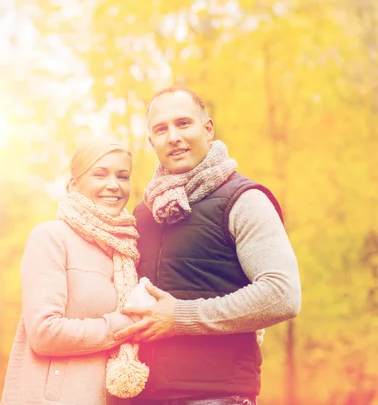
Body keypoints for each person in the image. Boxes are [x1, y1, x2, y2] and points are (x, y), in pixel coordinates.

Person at [114, 87, 302, 405]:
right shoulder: (143, 213)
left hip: (216, 396)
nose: (173, 136)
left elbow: (282, 294)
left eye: (183, 123)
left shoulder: (244, 199)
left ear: (208, 128)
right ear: (151, 142)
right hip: (141, 396)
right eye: (161, 129)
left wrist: (182, 317)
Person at [0, 138, 150, 405]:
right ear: (73, 185)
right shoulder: (51, 237)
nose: (113, 185)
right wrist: (125, 325)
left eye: (122, 176)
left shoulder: (128, 250)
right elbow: (45, 333)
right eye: (100, 174)